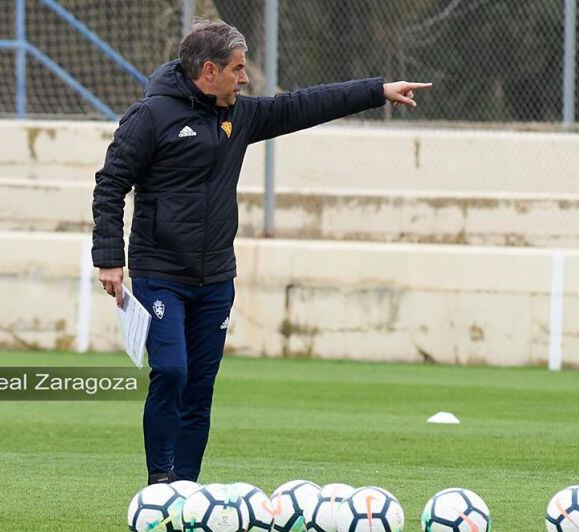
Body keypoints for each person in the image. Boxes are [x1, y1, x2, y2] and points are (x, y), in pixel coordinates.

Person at [92, 19, 431, 485]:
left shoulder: (240, 116)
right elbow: (110, 183)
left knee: (200, 389)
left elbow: (302, 105)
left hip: (216, 280)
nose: (245, 78)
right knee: (170, 371)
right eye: (237, 68)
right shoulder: (150, 116)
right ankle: (160, 485)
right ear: (208, 71)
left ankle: (187, 491)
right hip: (160, 273)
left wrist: (377, 91)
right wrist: (109, 257)